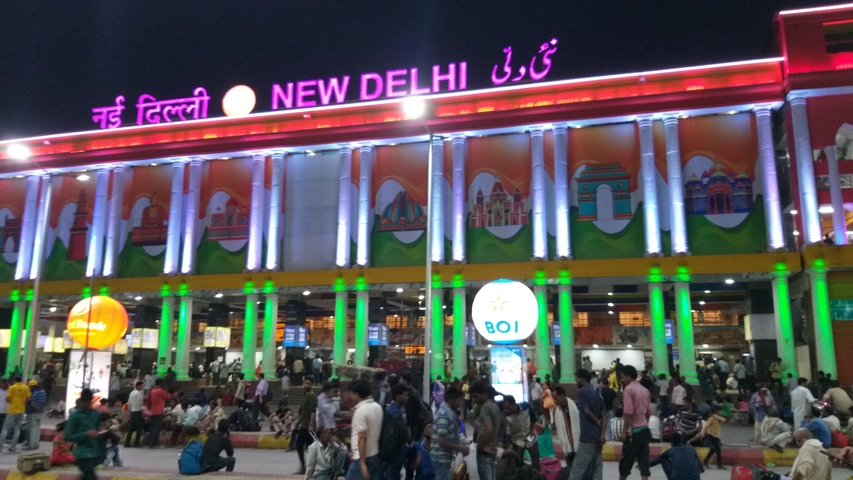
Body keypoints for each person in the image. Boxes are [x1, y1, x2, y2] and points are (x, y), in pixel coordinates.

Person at [570, 369, 605, 480]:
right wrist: (602, 434)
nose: (576, 383)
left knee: (577, 468)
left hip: (587, 436)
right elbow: (604, 415)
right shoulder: (596, 393)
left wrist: (596, 421)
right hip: (597, 436)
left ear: (583, 379)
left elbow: (586, 411)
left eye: (577, 380)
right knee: (597, 467)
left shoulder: (582, 391)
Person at [346, 378, 383, 480]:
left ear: (357, 394)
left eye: (351, 393)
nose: (350, 396)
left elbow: (362, 438)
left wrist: (362, 464)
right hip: (375, 455)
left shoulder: (361, 411)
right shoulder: (377, 407)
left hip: (362, 458)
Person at [618, 365, 650, 480]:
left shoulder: (628, 390)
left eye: (623, 377)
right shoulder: (645, 390)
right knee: (644, 460)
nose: (621, 380)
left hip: (633, 432)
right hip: (645, 429)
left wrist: (624, 431)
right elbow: (648, 412)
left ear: (629, 376)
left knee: (626, 461)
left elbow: (628, 413)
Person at [64, 390, 105, 480]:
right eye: (86, 404)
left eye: (89, 403)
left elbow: (97, 428)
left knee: (86, 477)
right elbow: (67, 436)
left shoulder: (95, 413)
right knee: (91, 477)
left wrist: (100, 431)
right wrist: (86, 434)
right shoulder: (75, 415)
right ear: (81, 401)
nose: (88, 406)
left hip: (95, 452)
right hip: (82, 454)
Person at [430, 387, 467, 480]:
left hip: (443, 456)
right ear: (451, 400)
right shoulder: (444, 415)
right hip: (441, 457)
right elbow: (441, 441)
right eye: (459, 401)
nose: (461, 404)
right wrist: (460, 447)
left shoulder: (446, 412)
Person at [469, 381, 504, 480]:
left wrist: (482, 446)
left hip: (485, 451)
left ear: (483, 394)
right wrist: (495, 440)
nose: (474, 400)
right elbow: (504, 424)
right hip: (492, 449)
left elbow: (489, 429)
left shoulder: (485, 407)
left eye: (475, 396)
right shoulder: (495, 406)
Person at [503, 395, 539, 469]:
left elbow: (534, 418)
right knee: (518, 462)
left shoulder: (526, 406)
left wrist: (532, 430)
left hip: (530, 436)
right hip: (517, 440)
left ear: (514, 404)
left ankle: (536, 475)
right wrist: (508, 443)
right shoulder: (504, 415)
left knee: (535, 459)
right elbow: (505, 431)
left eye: (508, 407)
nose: (507, 410)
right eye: (505, 408)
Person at [387, 383, 412, 480]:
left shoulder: (393, 410)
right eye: (405, 395)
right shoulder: (395, 414)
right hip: (396, 451)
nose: (407, 397)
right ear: (397, 396)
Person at [551, 386, 580, 466]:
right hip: (567, 446)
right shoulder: (556, 410)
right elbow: (555, 427)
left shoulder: (576, 407)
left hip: (579, 444)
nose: (555, 401)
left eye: (556, 398)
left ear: (563, 396)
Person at [0, 375, 29, 452]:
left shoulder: (12, 388)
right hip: (21, 410)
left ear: (14, 380)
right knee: (17, 428)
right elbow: (28, 398)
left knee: (5, 428)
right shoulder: (25, 387)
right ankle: (13, 446)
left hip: (12, 410)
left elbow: (8, 399)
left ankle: (0, 447)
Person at [295, 377, 318, 474]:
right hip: (303, 425)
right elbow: (301, 411)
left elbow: (313, 411)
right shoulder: (305, 395)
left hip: (308, 426)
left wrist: (311, 424)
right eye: (305, 383)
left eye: (309, 383)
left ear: (312, 385)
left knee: (304, 446)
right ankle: (306, 467)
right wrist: (296, 422)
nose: (307, 385)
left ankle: (307, 468)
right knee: (304, 446)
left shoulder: (312, 396)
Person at [145, 378, 172, 448]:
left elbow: (148, 402)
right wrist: (169, 392)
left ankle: (148, 441)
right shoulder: (160, 391)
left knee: (153, 428)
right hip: (158, 412)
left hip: (153, 412)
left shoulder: (152, 391)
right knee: (157, 428)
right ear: (161, 383)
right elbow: (167, 397)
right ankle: (153, 443)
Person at [699, 405, 725, 470]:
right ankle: (719, 465)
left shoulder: (718, 418)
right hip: (712, 436)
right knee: (718, 450)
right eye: (720, 411)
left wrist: (715, 416)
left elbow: (724, 420)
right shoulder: (711, 419)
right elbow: (706, 426)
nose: (721, 412)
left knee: (713, 450)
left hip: (716, 436)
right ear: (716, 411)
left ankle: (705, 461)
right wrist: (702, 433)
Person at [26, 379, 47, 450]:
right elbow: (44, 402)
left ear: (32, 387)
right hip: (39, 414)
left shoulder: (34, 393)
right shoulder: (43, 392)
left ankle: (31, 445)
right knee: (37, 429)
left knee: (32, 429)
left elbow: (32, 404)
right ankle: (36, 444)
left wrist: (38, 409)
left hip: (33, 413)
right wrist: (41, 410)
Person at [124, 381, 144, 447]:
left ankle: (127, 442)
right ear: (138, 386)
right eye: (142, 386)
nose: (142, 387)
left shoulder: (131, 393)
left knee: (131, 428)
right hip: (137, 411)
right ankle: (136, 443)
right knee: (139, 428)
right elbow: (139, 403)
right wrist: (140, 409)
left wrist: (130, 409)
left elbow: (129, 403)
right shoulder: (138, 393)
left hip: (132, 411)